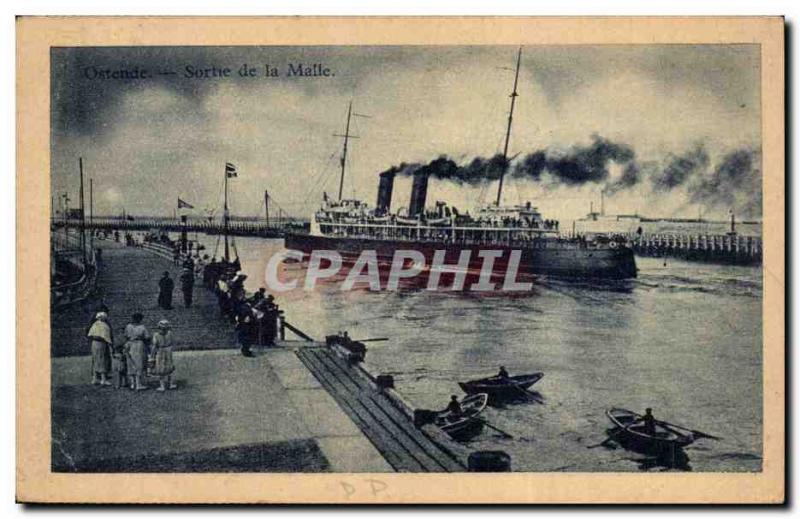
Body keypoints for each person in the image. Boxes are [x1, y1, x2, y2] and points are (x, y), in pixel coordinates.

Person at [124, 312, 151, 391]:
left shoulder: (128, 326)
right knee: (139, 363)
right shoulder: (142, 327)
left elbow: (125, 336)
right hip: (139, 345)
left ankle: (133, 383)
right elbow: (147, 337)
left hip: (129, 344)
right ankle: (138, 384)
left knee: (131, 363)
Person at [87, 312, 113, 386]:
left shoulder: (94, 324)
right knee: (102, 360)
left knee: (95, 360)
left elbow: (90, 335)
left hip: (94, 343)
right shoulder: (104, 325)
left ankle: (94, 379)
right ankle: (103, 379)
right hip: (101, 344)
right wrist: (110, 344)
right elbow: (106, 337)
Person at [151, 320, 177, 391]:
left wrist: (152, 355)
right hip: (168, 350)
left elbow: (154, 345)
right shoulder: (170, 333)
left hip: (160, 351)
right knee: (169, 367)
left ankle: (162, 386)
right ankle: (171, 384)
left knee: (160, 368)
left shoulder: (156, 335)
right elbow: (172, 342)